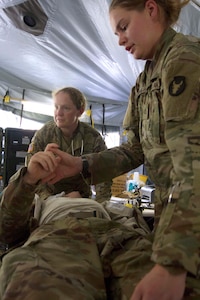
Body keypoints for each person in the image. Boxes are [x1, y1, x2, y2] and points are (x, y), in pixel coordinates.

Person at [39, 1, 200, 299]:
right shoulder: (143, 83)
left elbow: (193, 165)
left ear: (151, 10)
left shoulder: (184, 60)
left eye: (123, 27)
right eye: (116, 33)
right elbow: (134, 150)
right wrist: (80, 166)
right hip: (172, 215)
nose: (121, 39)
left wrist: (174, 263)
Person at [0, 149, 152, 300]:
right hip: (58, 233)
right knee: (38, 283)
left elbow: (131, 217)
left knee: (152, 282)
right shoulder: (38, 201)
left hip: (113, 232)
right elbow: (7, 230)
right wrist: (29, 178)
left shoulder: (100, 203)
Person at [25, 86, 112, 203]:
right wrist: (49, 199)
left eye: (66, 108)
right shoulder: (44, 134)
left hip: (80, 199)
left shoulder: (92, 137)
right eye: (56, 107)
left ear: (80, 111)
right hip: (47, 199)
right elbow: (31, 173)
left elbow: (103, 173)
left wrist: (101, 206)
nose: (59, 113)